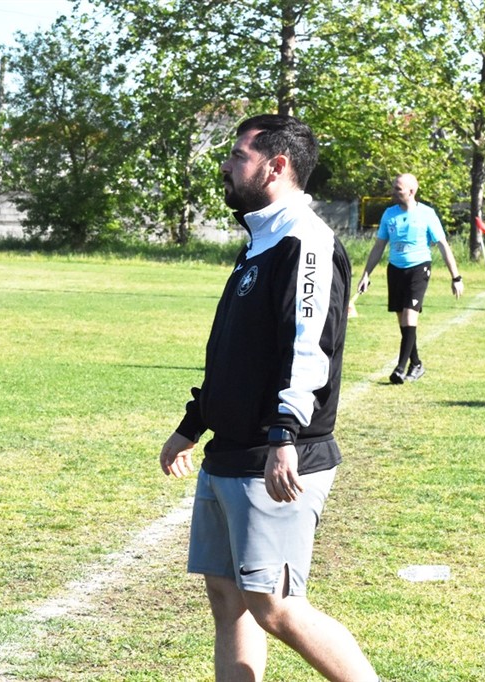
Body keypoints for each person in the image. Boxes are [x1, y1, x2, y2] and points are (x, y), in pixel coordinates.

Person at [159, 114, 378, 682]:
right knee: (228, 597)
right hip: (231, 450)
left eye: (239, 156)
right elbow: (237, 351)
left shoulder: (305, 240)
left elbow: (309, 346)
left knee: (275, 606)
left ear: (275, 166)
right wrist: (193, 424)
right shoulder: (262, 237)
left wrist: (285, 435)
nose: (227, 166)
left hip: (276, 451)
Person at [357, 173, 463, 384]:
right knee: (403, 321)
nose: (393, 192)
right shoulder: (389, 214)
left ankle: (400, 368)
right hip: (395, 270)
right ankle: (416, 363)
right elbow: (379, 246)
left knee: (409, 317)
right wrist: (366, 274)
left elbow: (443, 245)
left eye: (398, 188)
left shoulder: (427, 214)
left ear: (411, 191)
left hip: (419, 268)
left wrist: (456, 277)